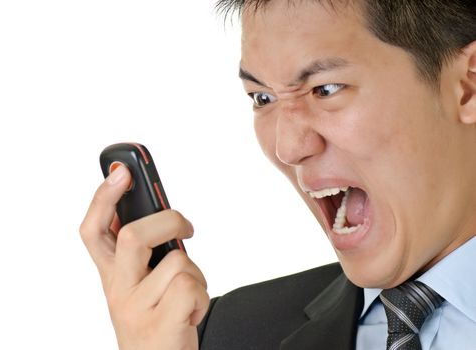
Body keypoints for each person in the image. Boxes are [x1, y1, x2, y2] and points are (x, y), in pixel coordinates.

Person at [80, 0, 476, 349]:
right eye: (262, 98)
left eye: (326, 88)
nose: (287, 147)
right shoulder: (222, 332)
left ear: (467, 87)